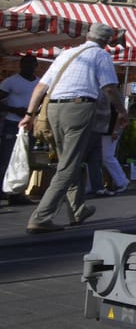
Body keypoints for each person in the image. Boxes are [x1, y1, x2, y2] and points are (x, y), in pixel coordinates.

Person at [16, 23, 127, 233]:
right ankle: (41, 216)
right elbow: (109, 88)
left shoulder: (67, 54)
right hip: (79, 107)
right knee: (68, 165)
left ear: (88, 35)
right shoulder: (101, 55)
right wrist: (122, 111)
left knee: (68, 159)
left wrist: (30, 114)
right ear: (106, 42)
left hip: (53, 109)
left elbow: (41, 86)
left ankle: (77, 210)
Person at [0, 54, 41, 205]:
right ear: (21, 65)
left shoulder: (39, 83)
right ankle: (3, 190)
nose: (29, 67)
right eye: (26, 64)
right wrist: (14, 109)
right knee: (7, 157)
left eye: (32, 64)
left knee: (23, 159)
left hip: (30, 126)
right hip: (12, 123)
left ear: (36, 66)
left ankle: (16, 192)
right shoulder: (10, 81)